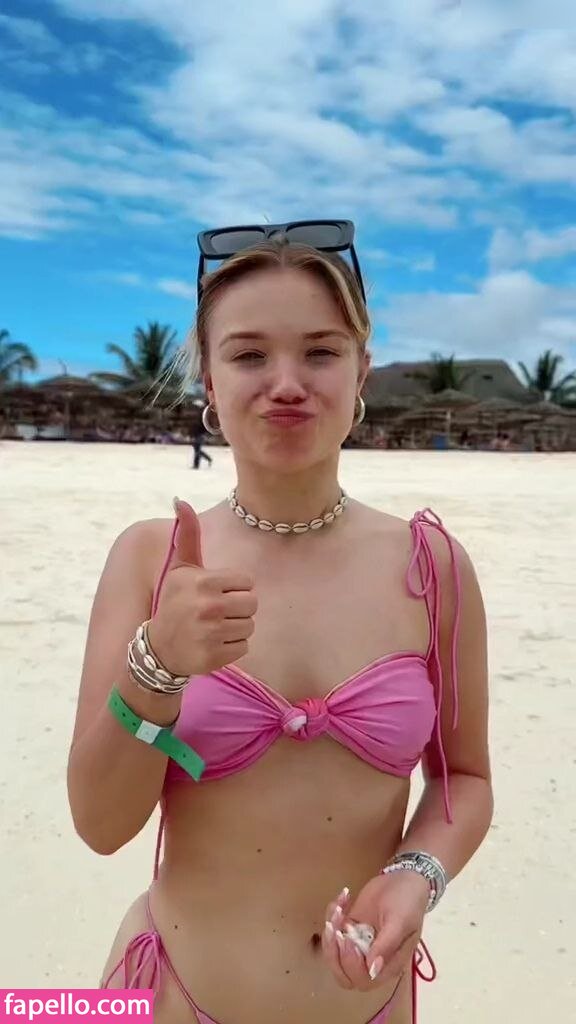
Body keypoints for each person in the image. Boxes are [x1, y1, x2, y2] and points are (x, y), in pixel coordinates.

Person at [67, 223, 493, 1024]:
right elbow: (99, 825)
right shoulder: (150, 560)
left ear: (362, 369)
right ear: (209, 381)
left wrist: (417, 873)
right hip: (168, 996)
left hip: (370, 1006)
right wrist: (156, 665)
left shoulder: (432, 566)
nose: (287, 383)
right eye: (250, 355)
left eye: (321, 352)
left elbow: (463, 778)